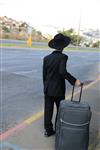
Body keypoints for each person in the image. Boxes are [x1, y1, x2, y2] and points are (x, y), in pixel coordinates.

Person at [43, 33, 81, 137]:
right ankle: (58, 129)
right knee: (60, 110)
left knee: (48, 110)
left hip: (48, 89)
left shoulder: (46, 58)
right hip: (58, 90)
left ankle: (48, 130)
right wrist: (74, 81)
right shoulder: (63, 57)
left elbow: (44, 75)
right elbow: (62, 72)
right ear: (63, 46)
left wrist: (45, 88)